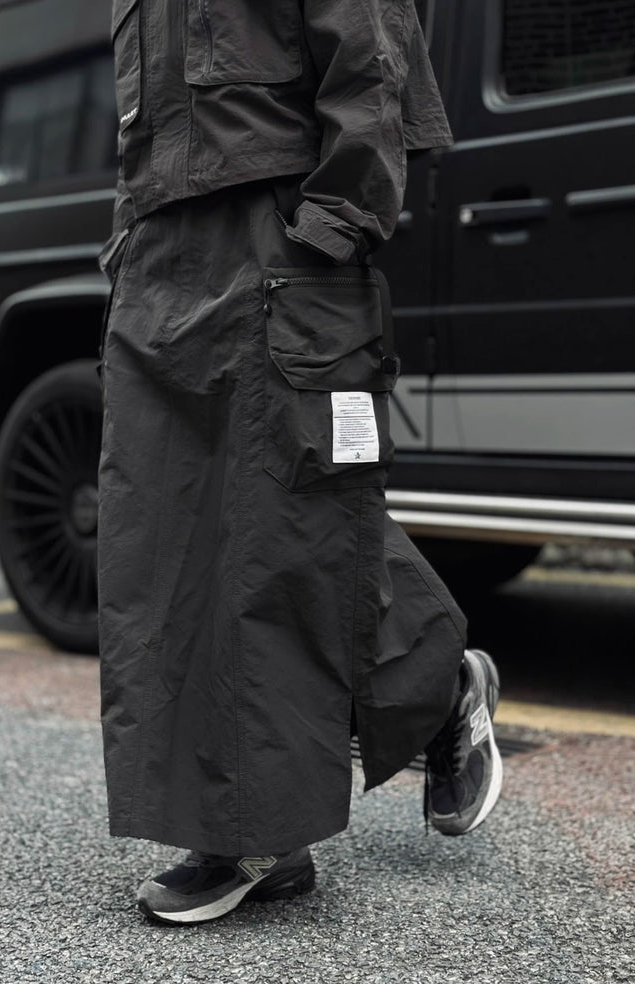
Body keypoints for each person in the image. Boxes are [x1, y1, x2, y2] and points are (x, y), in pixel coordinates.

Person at [98, 0, 503, 926]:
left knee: (274, 527)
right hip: (158, 256)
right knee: (160, 535)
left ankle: (255, 834)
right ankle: (435, 682)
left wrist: (336, 220)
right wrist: (124, 243)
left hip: (274, 238)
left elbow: (371, 54)